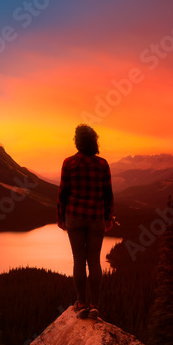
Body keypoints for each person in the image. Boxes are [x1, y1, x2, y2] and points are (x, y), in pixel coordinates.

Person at [57, 124, 114, 320]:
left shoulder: (69, 163)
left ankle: (81, 304)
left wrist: (60, 217)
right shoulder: (102, 164)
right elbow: (107, 194)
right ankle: (95, 305)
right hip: (96, 218)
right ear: (94, 141)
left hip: (74, 216)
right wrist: (108, 217)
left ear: (77, 141)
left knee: (79, 261)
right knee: (95, 262)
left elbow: (63, 192)